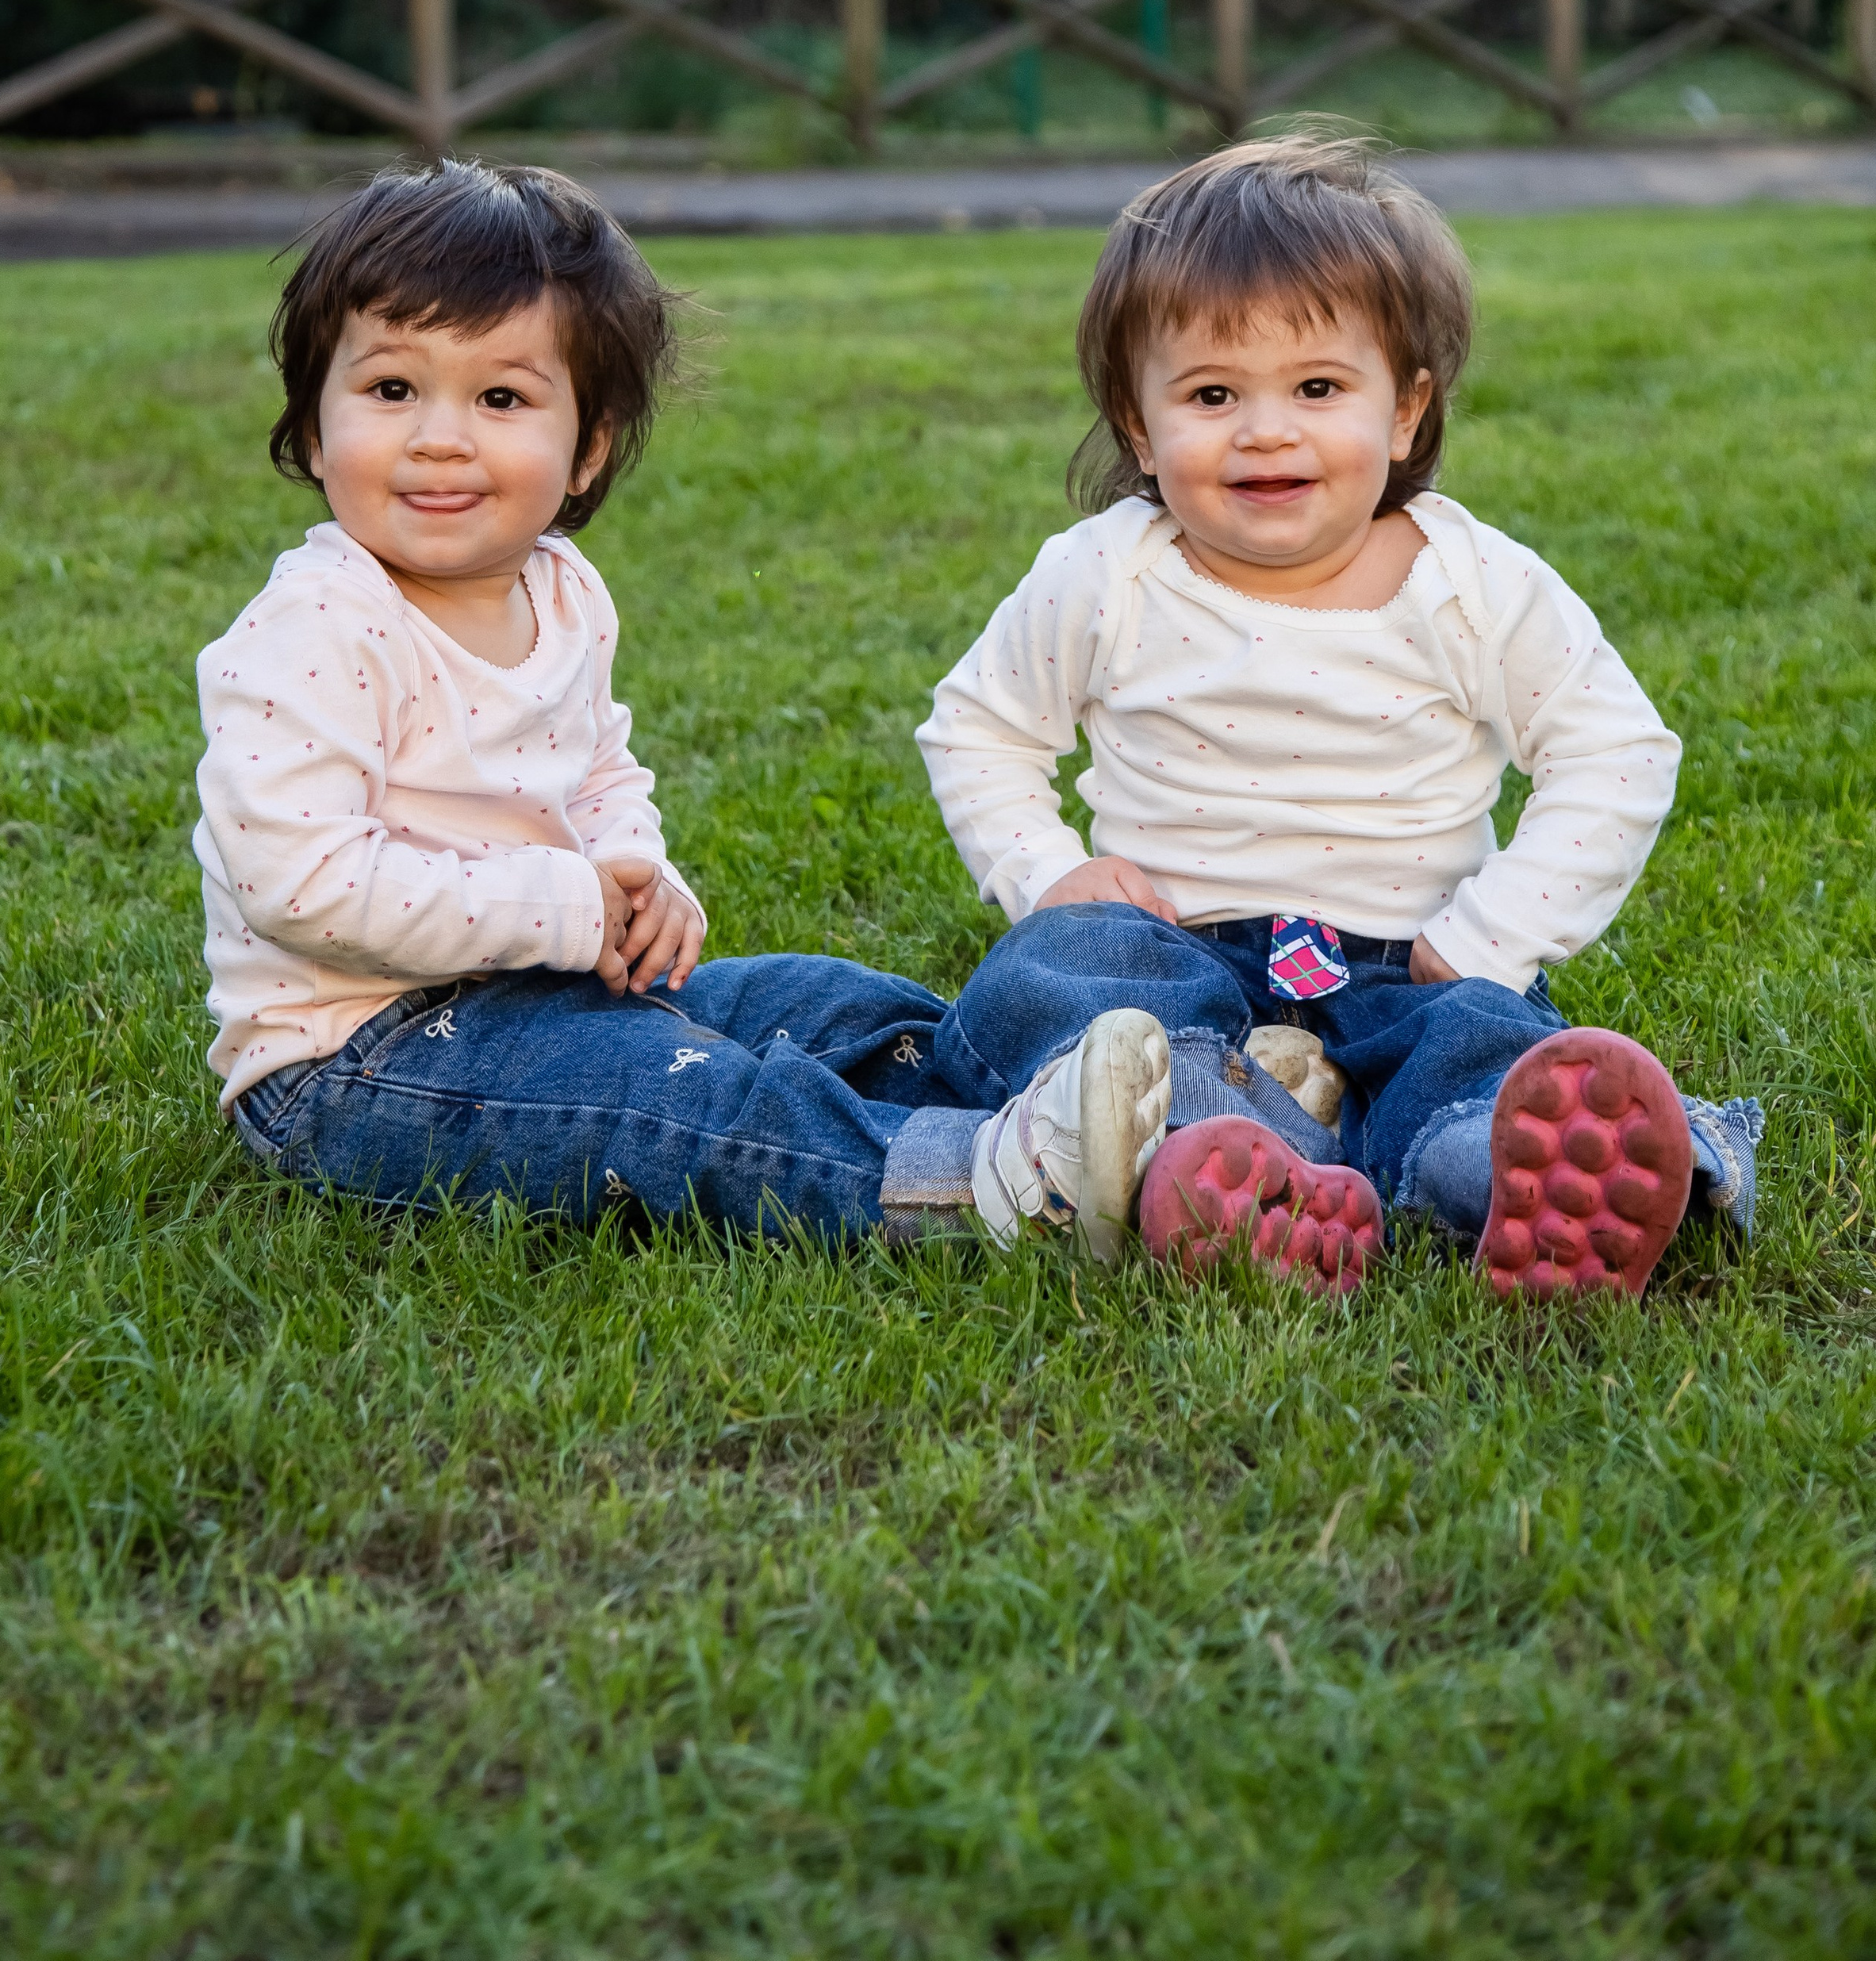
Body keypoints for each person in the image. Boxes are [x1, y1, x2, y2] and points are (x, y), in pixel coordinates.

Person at [194, 159, 1176, 1257]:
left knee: (844, 1006)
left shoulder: (562, 591)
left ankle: (1143, 1117)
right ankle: (990, 1187)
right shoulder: (315, 628)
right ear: (314, 427)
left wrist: (636, 873)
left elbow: (597, 770)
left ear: (588, 448)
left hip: (552, 994)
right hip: (357, 1064)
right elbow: (303, 888)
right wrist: (568, 908)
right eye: (390, 391)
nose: (440, 437)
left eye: (501, 399)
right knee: (688, 1097)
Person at [916, 135, 1763, 1299]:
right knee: (1057, 970)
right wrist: (1050, 873)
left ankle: (1501, 1176)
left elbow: (1614, 751)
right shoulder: (1105, 574)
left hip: (1410, 960)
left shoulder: (1471, 582)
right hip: (1176, 953)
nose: (1266, 431)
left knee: (1474, 1047)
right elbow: (981, 729)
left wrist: (1491, 936)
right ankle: (1231, 1145)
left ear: (1406, 410)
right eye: (1212, 395)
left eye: (1318, 389)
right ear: (1137, 423)